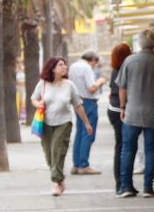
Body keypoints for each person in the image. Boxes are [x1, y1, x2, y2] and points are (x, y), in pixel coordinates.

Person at [30, 58, 93, 196]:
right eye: (61, 64)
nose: (65, 66)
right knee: (49, 155)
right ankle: (59, 178)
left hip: (64, 123)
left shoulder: (69, 85)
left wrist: (87, 123)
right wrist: (38, 104)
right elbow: (33, 98)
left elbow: (77, 105)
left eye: (65, 64)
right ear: (52, 68)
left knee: (58, 151)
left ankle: (56, 183)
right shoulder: (43, 83)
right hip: (46, 124)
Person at [116, 29, 154, 198]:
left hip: (132, 112)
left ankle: (126, 186)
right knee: (150, 150)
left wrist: (122, 107)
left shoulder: (129, 61)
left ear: (139, 42)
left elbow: (122, 87)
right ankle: (148, 187)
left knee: (128, 149)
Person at [68, 50, 105, 175]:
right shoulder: (87, 68)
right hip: (89, 102)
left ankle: (76, 163)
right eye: (95, 63)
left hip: (78, 101)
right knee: (88, 133)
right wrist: (100, 81)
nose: (95, 65)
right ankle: (84, 164)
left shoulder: (73, 66)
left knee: (79, 132)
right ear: (93, 59)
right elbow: (91, 88)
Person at [107, 43, 132, 195]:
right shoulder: (123, 71)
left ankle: (122, 183)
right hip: (120, 111)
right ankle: (120, 184)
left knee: (121, 146)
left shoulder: (115, 70)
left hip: (113, 109)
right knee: (122, 147)